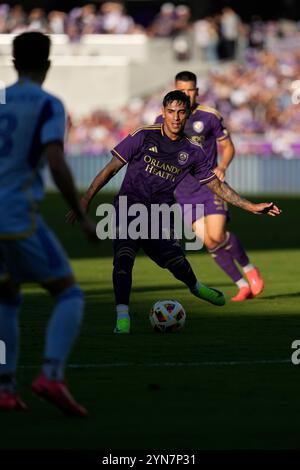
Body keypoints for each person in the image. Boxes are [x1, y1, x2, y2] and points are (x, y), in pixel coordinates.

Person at [66, 90, 281, 334]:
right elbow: (111, 169)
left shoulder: (192, 151)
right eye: (171, 112)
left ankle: (196, 286)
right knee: (123, 259)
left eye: (181, 112)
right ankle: (123, 318)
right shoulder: (143, 136)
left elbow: (217, 186)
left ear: (188, 114)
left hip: (159, 215)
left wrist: (251, 206)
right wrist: (85, 200)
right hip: (128, 208)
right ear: (163, 113)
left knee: (174, 262)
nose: (176, 117)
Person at [0, 32, 96, 415]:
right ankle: (51, 375)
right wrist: (84, 216)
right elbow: (55, 160)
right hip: (17, 215)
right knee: (69, 293)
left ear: (13, 62)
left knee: (6, 298)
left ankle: (5, 388)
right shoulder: (48, 104)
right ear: (49, 64)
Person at [155, 71, 264, 301]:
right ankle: (242, 285)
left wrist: (222, 166)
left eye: (190, 90)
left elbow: (229, 147)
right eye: (181, 90)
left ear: (196, 91)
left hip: (210, 185)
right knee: (209, 241)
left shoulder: (209, 117)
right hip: (183, 191)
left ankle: (249, 268)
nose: (186, 94)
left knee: (217, 234)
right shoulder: (163, 121)